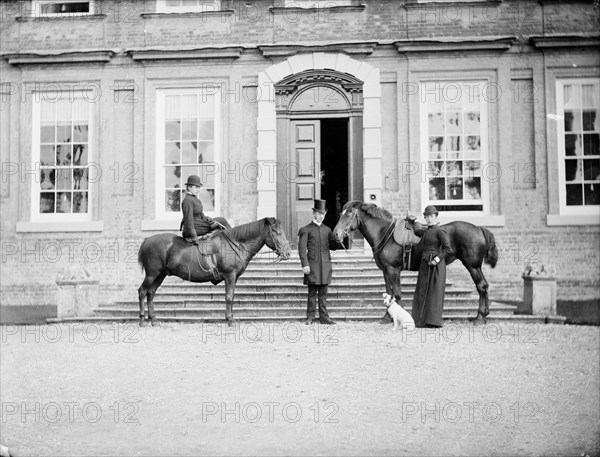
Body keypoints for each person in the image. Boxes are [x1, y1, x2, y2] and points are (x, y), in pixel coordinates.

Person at [298, 199, 344, 325]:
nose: (321, 216)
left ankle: (324, 317)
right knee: (312, 294)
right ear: (314, 214)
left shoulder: (327, 230)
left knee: (323, 295)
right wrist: (305, 264)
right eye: (319, 214)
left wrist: (338, 240)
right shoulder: (305, 229)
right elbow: (301, 249)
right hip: (312, 266)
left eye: (323, 214)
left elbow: (332, 246)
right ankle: (310, 317)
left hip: (325, 267)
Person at [408, 205, 453, 327]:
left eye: (431, 216)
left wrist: (436, 259)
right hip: (424, 264)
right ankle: (421, 320)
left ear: (435, 216)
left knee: (434, 292)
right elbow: (418, 231)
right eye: (426, 217)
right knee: (422, 291)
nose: (428, 219)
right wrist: (415, 220)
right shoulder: (427, 230)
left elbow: (448, 249)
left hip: (436, 266)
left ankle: (433, 322)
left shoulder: (440, 231)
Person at [180, 175, 227, 244]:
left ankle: (211, 236)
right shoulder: (188, 200)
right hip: (193, 228)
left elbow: (201, 214)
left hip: (199, 224)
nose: (198, 190)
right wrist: (194, 236)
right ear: (189, 187)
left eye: (199, 187)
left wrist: (208, 220)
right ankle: (234, 238)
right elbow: (188, 219)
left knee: (221, 220)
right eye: (196, 187)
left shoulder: (195, 199)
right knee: (221, 223)